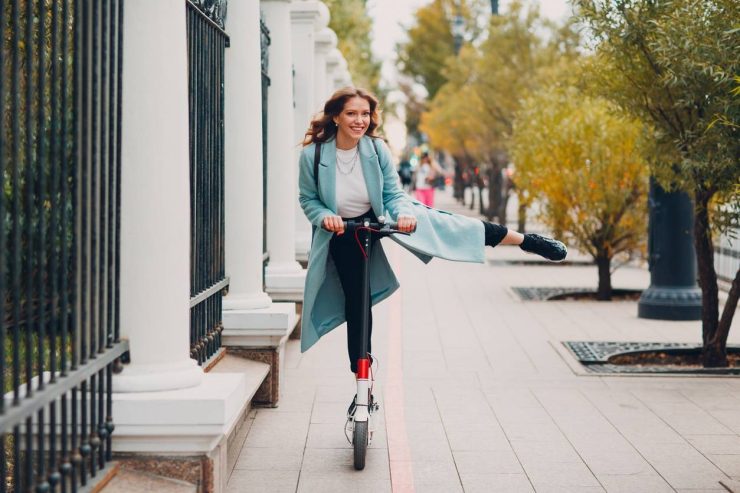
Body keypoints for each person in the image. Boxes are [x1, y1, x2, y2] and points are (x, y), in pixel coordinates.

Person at [297, 87, 566, 396]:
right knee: (358, 300)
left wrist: (402, 214)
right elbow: (308, 199)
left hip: (381, 215)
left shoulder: (376, 150)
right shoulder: (314, 155)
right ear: (336, 116)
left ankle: (525, 240)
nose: (359, 120)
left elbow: (392, 195)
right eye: (351, 114)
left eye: (365, 114)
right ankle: (362, 376)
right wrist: (325, 216)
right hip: (343, 232)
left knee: (449, 225)